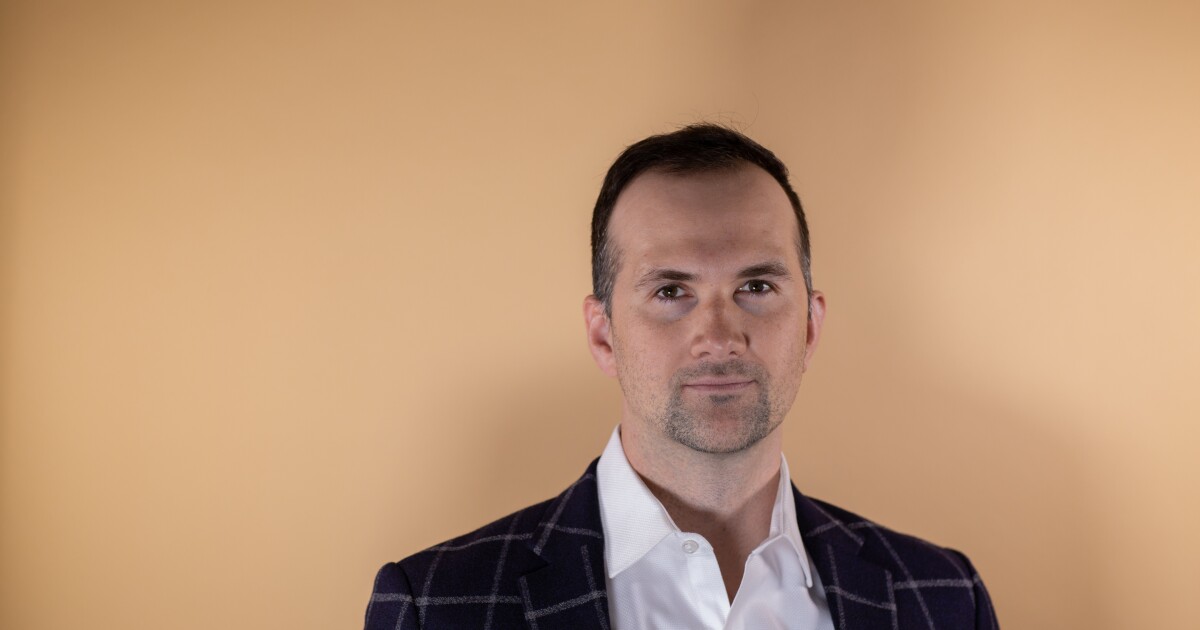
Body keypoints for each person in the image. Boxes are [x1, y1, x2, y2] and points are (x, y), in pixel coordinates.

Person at [365, 124, 999, 629]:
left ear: (810, 326)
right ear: (603, 335)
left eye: (757, 286)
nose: (719, 336)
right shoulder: (436, 607)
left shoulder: (944, 599)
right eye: (671, 291)